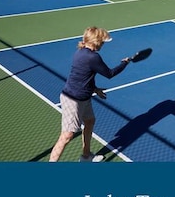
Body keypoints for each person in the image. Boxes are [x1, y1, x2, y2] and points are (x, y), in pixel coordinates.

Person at [49, 27, 131, 162]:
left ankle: (86, 156)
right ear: (96, 41)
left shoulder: (81, 52)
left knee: (90, 121)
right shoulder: (93, 57)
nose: (103, 45)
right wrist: (124, 63)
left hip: (83, 97)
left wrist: (95, 89)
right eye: (102, 42)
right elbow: (109, 74)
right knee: (67, 136)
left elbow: (85, 76)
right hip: (73, 99)